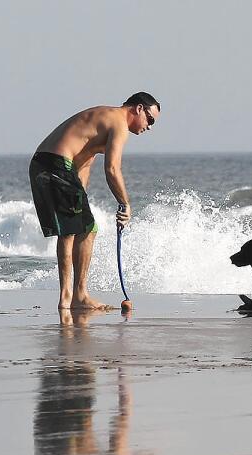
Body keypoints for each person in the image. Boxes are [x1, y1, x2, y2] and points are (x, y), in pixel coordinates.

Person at [30, 92, 161, 312]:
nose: (149, 127)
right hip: (54, 164)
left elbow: (83, 162)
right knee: (70, 231)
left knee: (87, 228)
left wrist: (80, 196)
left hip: (47, 164)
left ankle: (78, 295)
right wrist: (125, 204)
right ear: (139, 109)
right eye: (151, 119)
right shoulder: (118, 123)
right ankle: (68, 297)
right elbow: (112, 169)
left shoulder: (103, 120)